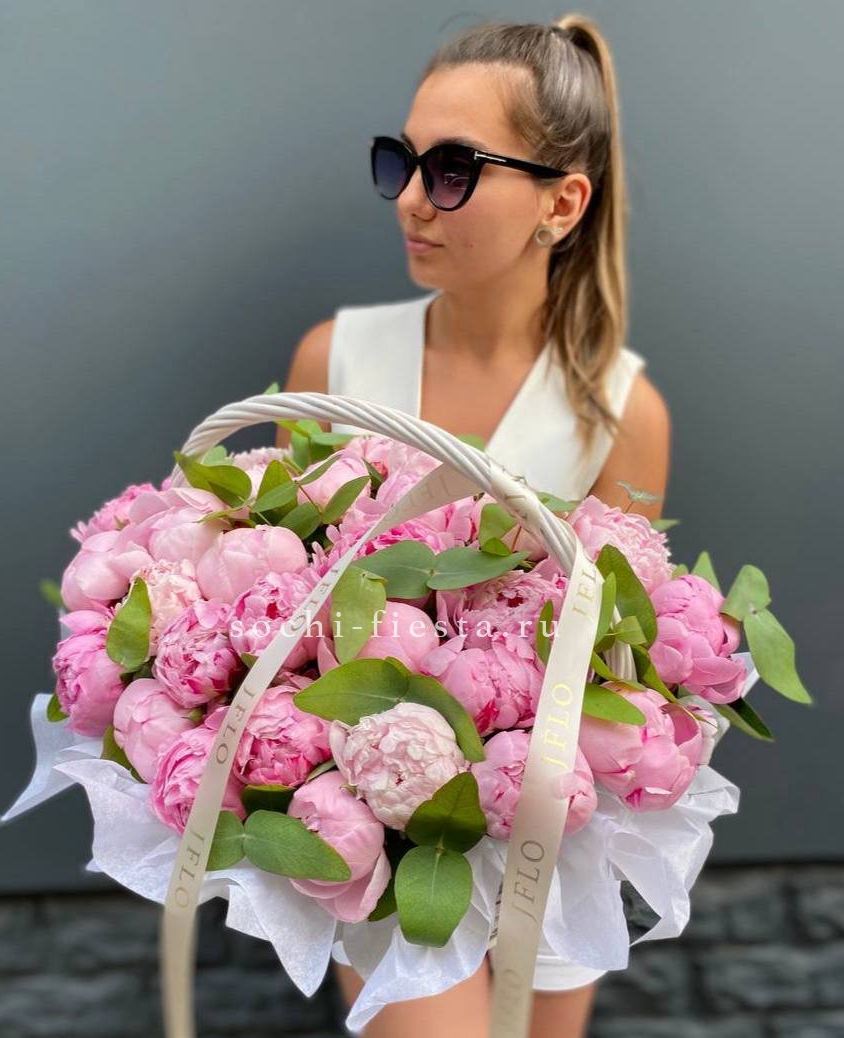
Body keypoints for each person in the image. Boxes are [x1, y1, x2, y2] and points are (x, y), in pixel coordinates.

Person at [276, 14, 671, 1038]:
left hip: (547, 834)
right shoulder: (333, 365)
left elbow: (620, 667)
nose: (411, 197)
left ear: (560, 203)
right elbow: (283, 612)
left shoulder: (617, 413)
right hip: (381, 835)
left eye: (452, 169)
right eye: (401, 161)